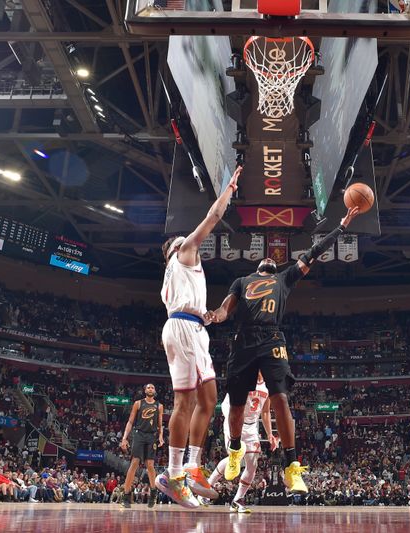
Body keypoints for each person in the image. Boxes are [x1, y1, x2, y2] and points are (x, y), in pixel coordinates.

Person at [207, 206, 360, 494]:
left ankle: (291, 467)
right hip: (243, 340)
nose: (267, 257)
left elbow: (314, 252)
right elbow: (226, 308)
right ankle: (235, 449)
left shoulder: (284, 279)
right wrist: (214, 315)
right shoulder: (242, 281)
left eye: (271, 259)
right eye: (263, 258)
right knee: (237, 404)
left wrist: (341, 227)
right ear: (256, 268)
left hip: (271, 339)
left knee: (281, 400)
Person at [156, 165, 243, 508]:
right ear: (175, 251)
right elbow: (212, 217)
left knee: (208, 399)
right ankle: (174, 474)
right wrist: (229, 190)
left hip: (193, 328)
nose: (191, 243)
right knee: (186, 402)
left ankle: (192, 467)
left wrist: (205, 314)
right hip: (183, 330)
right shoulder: (183, 253)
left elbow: (189, 304)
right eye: (183, 242)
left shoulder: (183, 273)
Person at [205, 372, 279, 513]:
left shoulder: (268, 385)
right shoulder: (243, 376)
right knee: (235, 457)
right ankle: (207, 488)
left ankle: (237, 500)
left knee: (252, 464)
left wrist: (270, 434)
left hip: (251, 426)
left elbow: (265, 412)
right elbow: (229, 402)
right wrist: (231, 419)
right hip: (234, 419)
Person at [120, 383, 164, 508]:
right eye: (148, 387)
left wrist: (160, 436)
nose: (151, 389)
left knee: (150, 465)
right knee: (134, 463)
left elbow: (160, 425)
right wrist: (124, 438)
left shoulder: (159, 406)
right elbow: (130, 422)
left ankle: (153, 491)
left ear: (154, 391)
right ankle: (126, 495)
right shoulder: (138, 403)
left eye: (152, 387)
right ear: (145, 391)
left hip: (151, 436)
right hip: (139, 434)